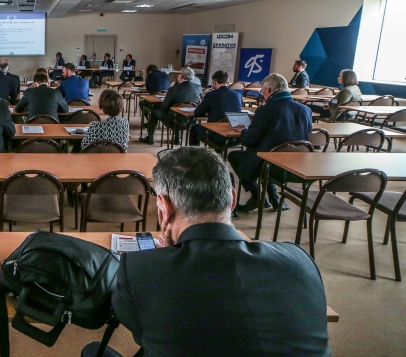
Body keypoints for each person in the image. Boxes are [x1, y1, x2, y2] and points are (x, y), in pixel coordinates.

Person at [82, 147, 330, 357]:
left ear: (164, 209)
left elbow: (138, 324)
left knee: (94, 350)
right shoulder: (300, 260)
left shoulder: (140, 269)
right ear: (232, 200)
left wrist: (164, 258)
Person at [228, 73, 312, 213]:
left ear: (268, 90)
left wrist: (244, 131)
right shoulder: (306, 110)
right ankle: (274, 198)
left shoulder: (265, 110)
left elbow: (249, 140)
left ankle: (256, 197)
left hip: (271, 166)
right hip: (297, 167)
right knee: (270, 152)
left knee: (235, 156)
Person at [143, 67, 202, 145]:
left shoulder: (173, 89)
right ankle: (177, 139)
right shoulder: (199, 88)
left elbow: (165, 107)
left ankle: (150, 138)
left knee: (155, 112)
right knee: (178, 113)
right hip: (191, 120)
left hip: (174, 120)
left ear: (181, 76)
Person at [188, 70, 242, 146]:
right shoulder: (238, 95)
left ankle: (194, 154)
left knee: (194, 128)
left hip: (215, 135)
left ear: (214, 82)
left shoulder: (210, 95)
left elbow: (197, 113)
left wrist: (202, 104)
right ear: (228, 82)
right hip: (235, 137)